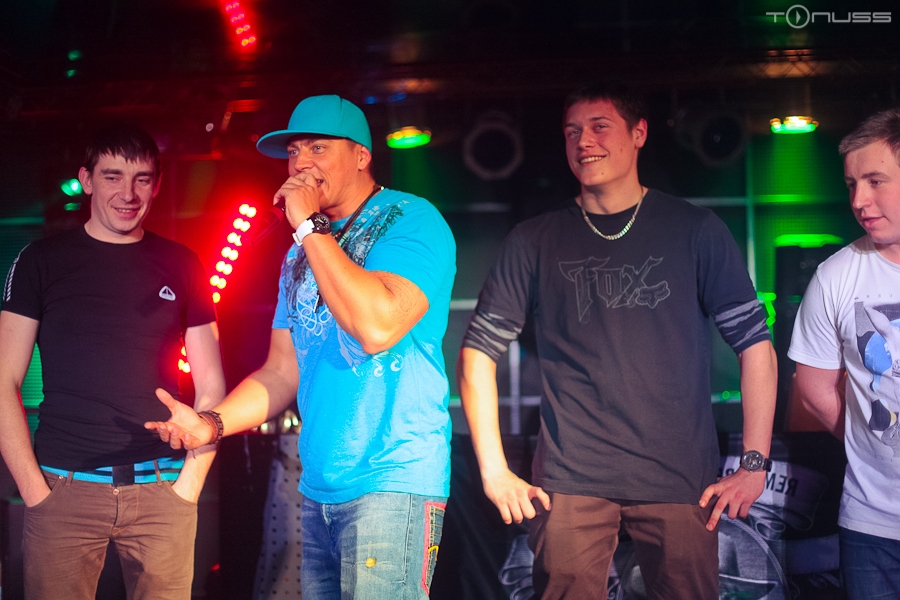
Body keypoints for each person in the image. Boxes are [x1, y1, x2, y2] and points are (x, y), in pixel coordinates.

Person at [457, 83, 777, 599]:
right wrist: (493, 471)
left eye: (599, 126)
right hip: (570, 479)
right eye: (572, 131)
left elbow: (755, 346)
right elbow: (477, 354)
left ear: (639, 133)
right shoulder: (534, 240)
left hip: (680, 479)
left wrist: (755, 463)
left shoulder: (695, 229)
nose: (584, 141)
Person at [147, 94, 457, 599]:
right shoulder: (300, 254)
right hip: (318, 489)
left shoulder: (410, 219)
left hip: (392, 480)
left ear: (362, 155)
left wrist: (309, 227)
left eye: (317, 147)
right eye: (293, 152)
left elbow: (376, 328)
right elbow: (280, 372)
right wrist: (212, 423)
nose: (301, 164)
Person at [0, 124, 225, 600]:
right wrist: (35, 492)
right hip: (62, 491)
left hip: (163, 490)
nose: (128, 193)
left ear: (157, 185)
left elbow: (212, 387)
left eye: (142, 179)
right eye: (112, 176)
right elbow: (3, 381)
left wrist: (189, 485)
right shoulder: (40, 261)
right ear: (86, 179)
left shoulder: (183, 263)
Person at [788, 108, 900, 600]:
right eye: (852, 184)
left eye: (875, 181)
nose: (859, 200)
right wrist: (874, 437)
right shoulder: (836, 275)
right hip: (870, 525)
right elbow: (813, 389)